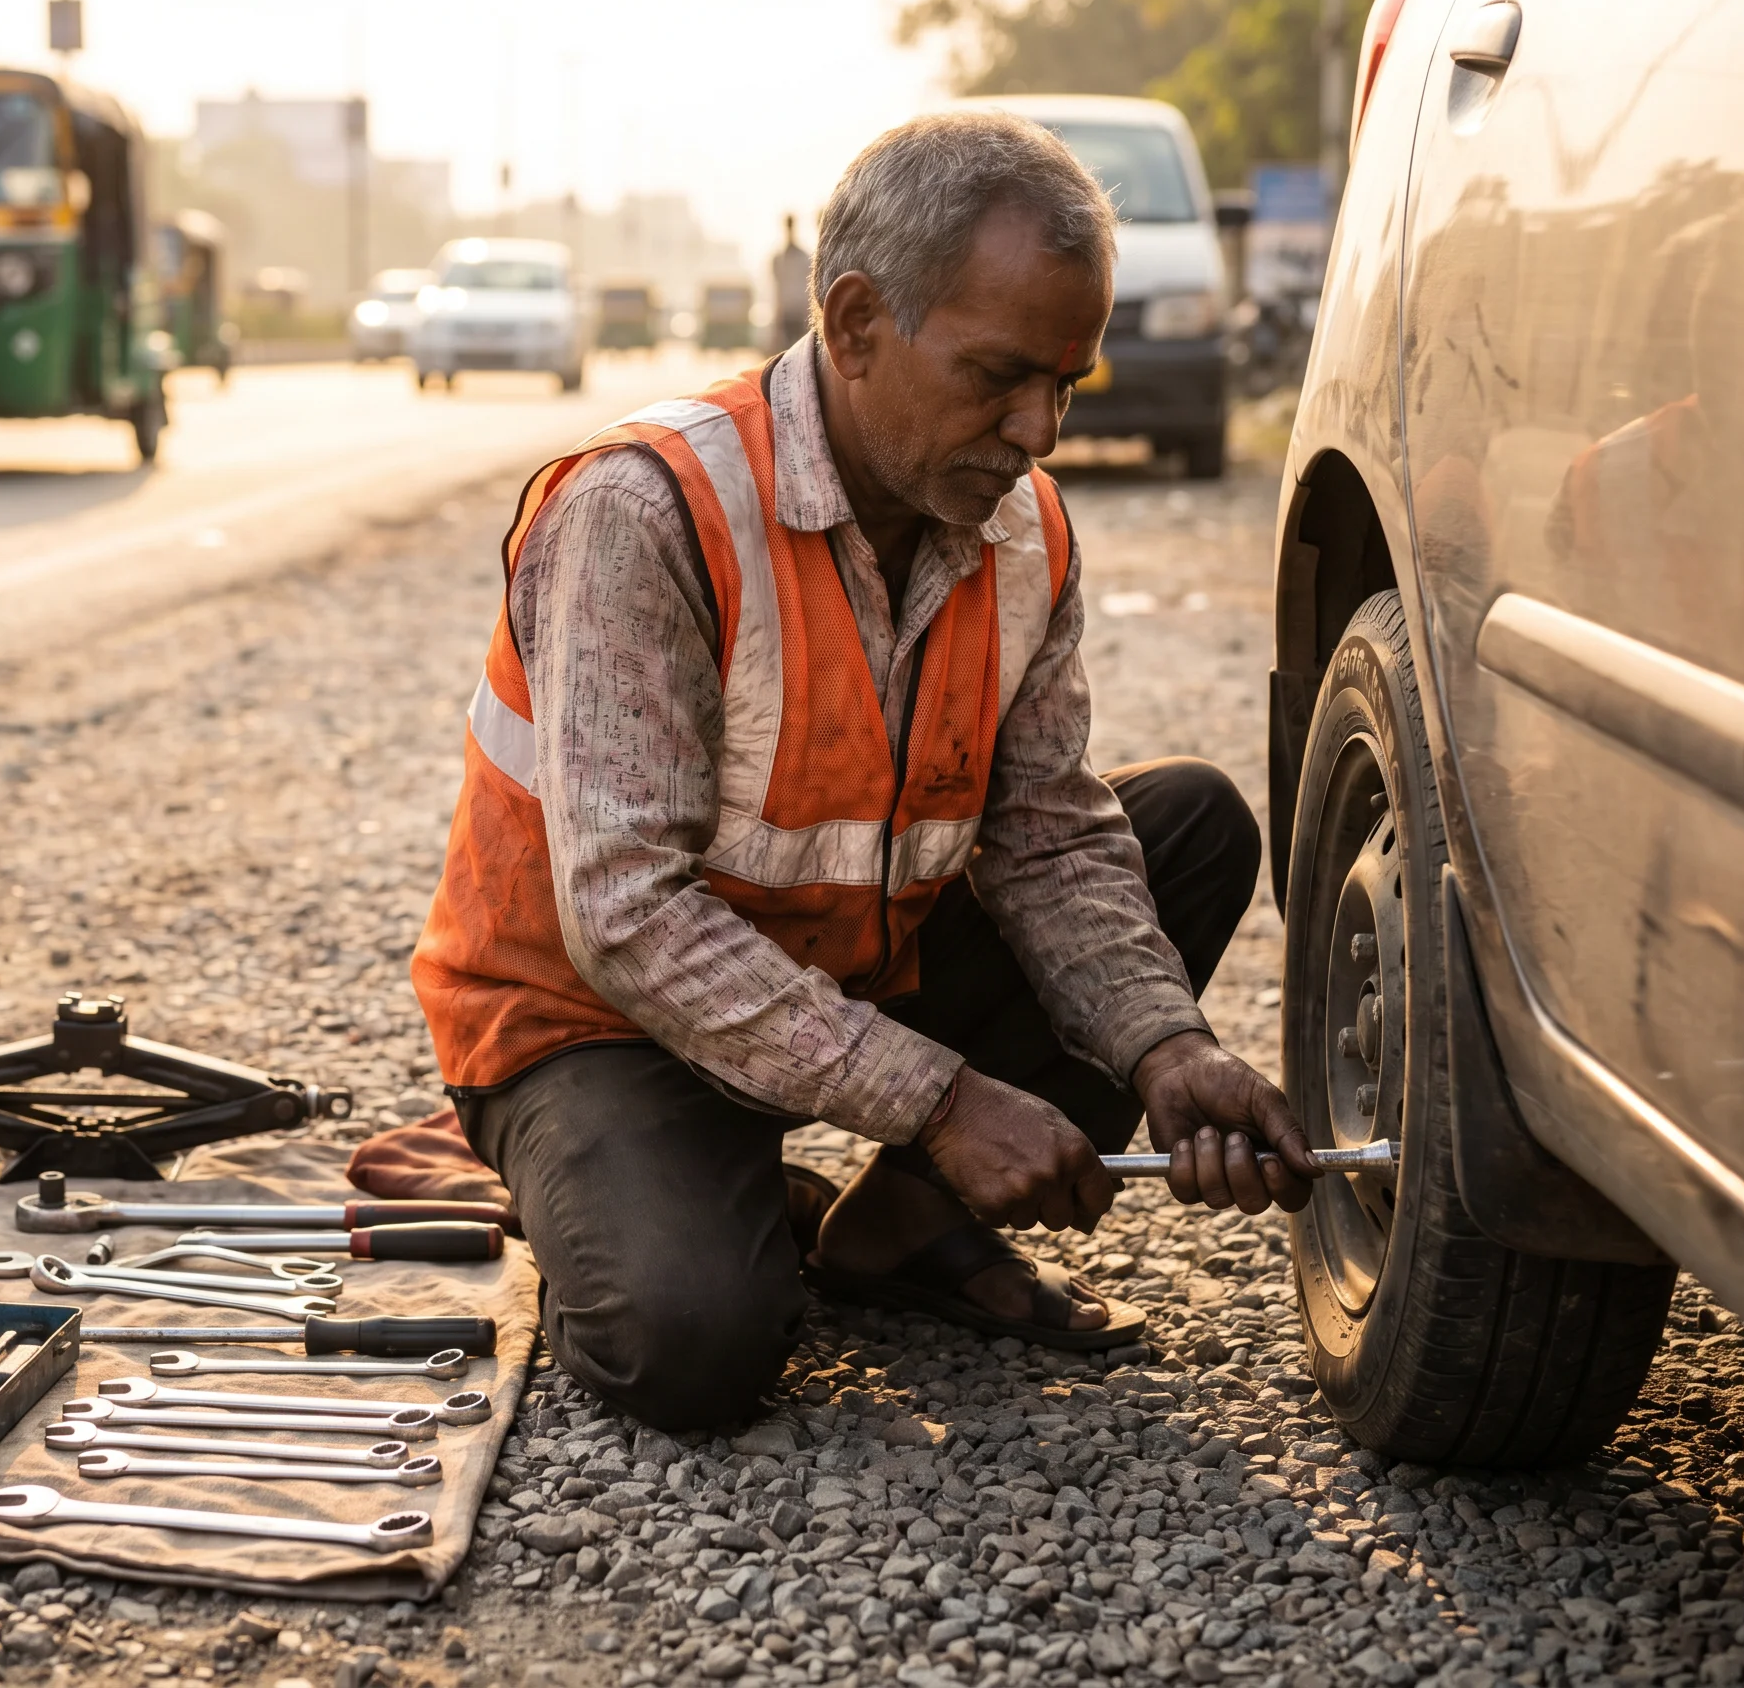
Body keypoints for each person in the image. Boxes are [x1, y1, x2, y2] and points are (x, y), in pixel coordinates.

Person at [412, 112, 1320, 1431]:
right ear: (851, 325)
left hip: (852, 972)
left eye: (1069, 382)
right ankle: (638, 1178)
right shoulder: (645, 510)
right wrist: (941, 1097)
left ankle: (897, 1231)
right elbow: (629, 919)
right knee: (690, 1342)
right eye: (1003, 376)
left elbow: (1051, 837)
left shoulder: (1021, 531)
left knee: (1187, 823)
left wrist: (1166, 1049)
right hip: (597, 1019)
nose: (1042, 431)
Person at [768, 213, 811, 355]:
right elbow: (776, 289)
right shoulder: (778, 259)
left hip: (800, 314)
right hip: (785, 314)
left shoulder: (804, 258)